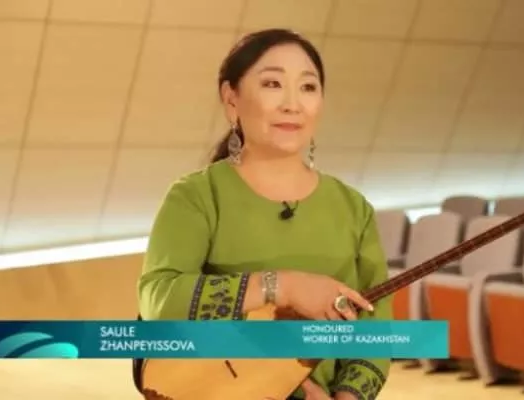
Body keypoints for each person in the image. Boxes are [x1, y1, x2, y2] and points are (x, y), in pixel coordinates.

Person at [137, 28, 393, 400]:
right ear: (231, 100)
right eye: (273, 84)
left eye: (308, 87)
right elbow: (159, 300)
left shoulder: (354, 208)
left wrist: (347, 396)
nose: (293, 104)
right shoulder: (195, 196)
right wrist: (282, 286)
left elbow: (376, 326)